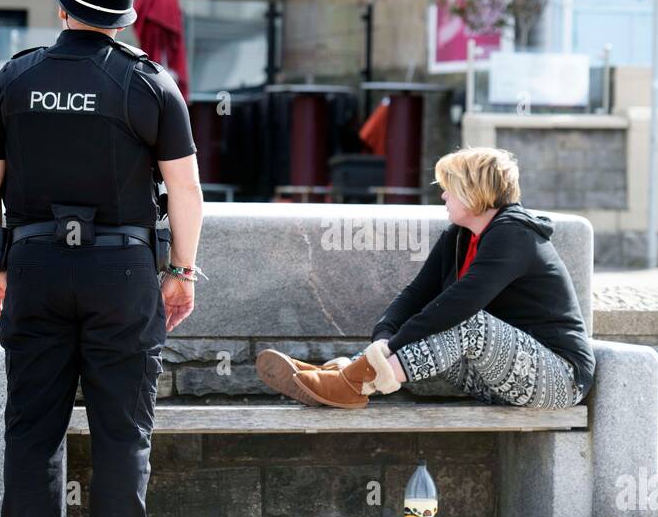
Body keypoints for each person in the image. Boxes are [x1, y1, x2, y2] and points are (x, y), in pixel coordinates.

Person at [0, 0, 203, 517]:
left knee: (32, 427)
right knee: (123, 429)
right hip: (122, 271)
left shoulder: (13, 80)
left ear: (64, 3)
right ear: (125, 16)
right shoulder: (150, 83)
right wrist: (181, 271)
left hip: (35, 267)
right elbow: (185, 190)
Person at [255, 147, 595, 411]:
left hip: (559, 379)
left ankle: (353, 381)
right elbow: (416, 293)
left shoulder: (514, 235)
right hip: (494, 381)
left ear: (475, 191)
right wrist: (383, 338)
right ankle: (346, 375)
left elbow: (460, 304)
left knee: (467, 323)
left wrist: (393, 346)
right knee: (434, 337)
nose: (443, 195)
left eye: (451, 188)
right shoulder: (458, 237)